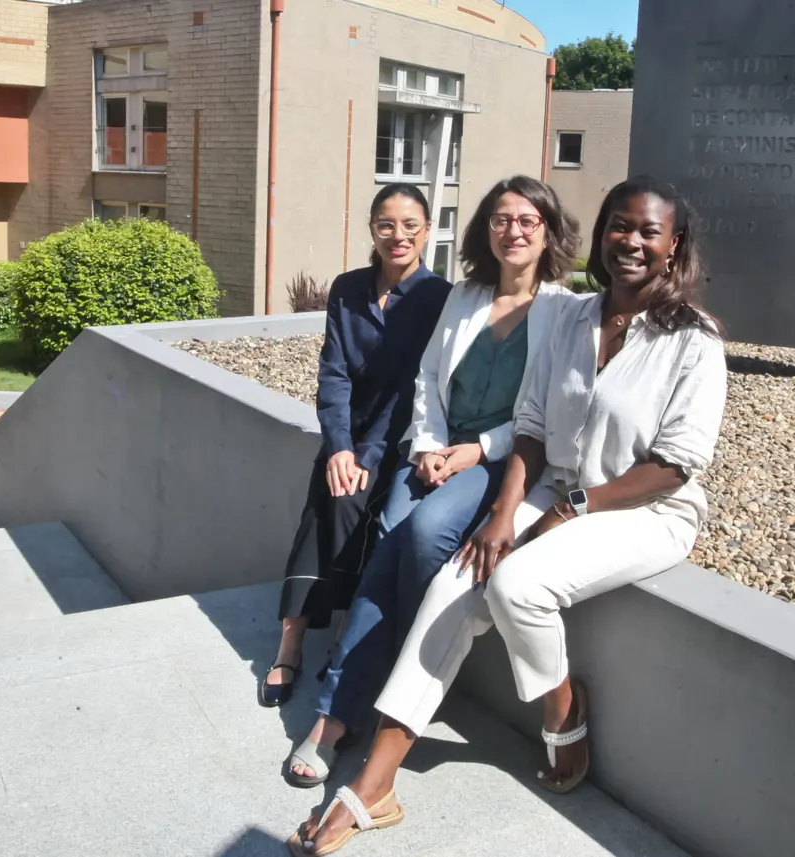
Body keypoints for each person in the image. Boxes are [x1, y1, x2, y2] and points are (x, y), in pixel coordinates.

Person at [285, 175, 730, 856]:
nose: (631, 241)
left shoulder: (693, 340)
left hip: (646, 508)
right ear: (602, 233)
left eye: (649, 231)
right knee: (454, 581)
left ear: (675, 245)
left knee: (514, 585)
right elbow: (532, 424)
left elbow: (677, 463)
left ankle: (562, 704)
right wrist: (503, 512)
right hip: (555, 487)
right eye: (620, 226)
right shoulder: (576, 319)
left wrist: (571, 506)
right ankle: (375, 783)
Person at [283, 176, 582, 786]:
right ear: (485, 228)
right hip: (437, 448)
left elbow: (548, 411)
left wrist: (478, 450)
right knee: (389, 538)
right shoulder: (465, 295)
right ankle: (344, 710)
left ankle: (353, 703)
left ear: (548, 230)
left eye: (528, 220)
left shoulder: (565, 311)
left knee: (420, 536)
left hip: (502, 459)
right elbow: (427, 379)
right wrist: (426, 445)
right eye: (501, 219)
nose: (514, 231)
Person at [259, 184, 453, 708]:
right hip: (347, 434)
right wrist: (340, 447)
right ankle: (291, 639)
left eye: (410, 225)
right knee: (325, 495)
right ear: (372, 229)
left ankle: (344, 634)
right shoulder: (348, 289)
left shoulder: (441, 299)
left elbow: (418, 388)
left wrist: (366, 454)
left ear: (427, 231)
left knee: (349, 505)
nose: (398, 235)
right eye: (386, 224)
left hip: (401, 438)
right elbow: (334, 372)